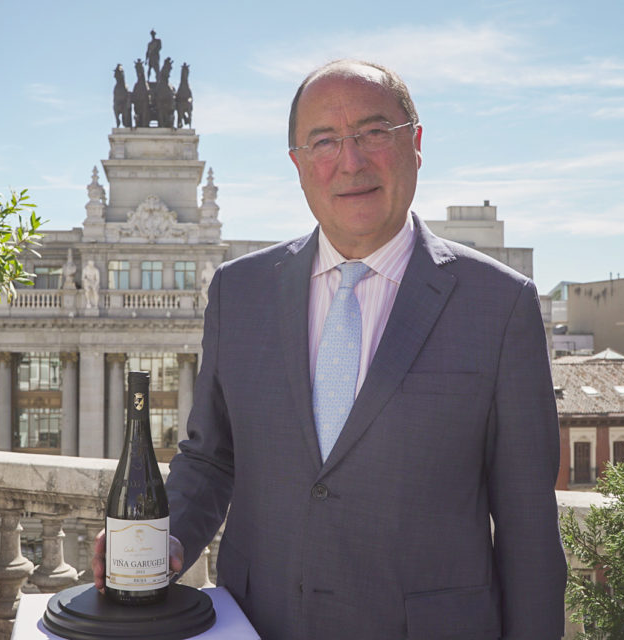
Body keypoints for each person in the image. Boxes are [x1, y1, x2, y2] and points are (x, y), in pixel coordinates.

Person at [93, 59, 567, 639]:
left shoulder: (500, 304)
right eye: (324, 141)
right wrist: (162, 539)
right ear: (297, 163)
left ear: (416, 144)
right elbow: (211, 456)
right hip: (258, 625)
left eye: (374, 133)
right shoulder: (239, 291)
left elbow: (528, 526)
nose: (351, 161)